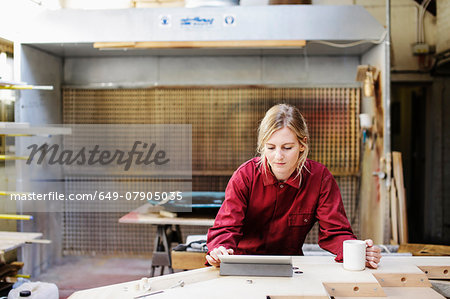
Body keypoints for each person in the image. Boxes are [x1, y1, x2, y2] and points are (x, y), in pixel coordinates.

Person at [206, 103, 381, 268]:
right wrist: (219, 249)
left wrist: (358, 253)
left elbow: (335, 232)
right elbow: (226, 227)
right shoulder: (245, 176)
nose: (278, 156)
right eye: (271, 147)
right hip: (243, 264)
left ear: (302, 145)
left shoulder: (319, 178)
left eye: (287, 147)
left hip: (292, 266)